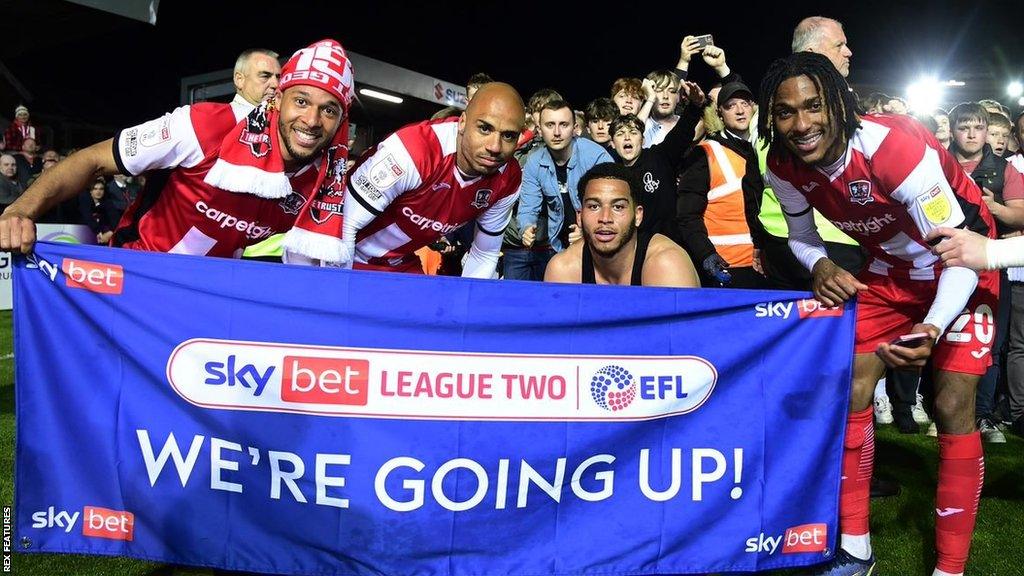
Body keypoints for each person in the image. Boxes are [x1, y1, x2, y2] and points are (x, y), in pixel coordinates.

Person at [760, 52, 997, 576]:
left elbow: (959, 254)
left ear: (839, 104)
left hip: (962, 267)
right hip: (888, 275)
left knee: (952, 402)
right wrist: (819, 263)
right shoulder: (781, 163)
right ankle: (856, 548)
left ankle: (950, 568)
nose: (801, 125)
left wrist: (933, 326)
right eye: (785, 112)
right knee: (850, 390)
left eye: (813, 106)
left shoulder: (893, 147)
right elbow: (800, 239)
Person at [0, 39, 354, 257]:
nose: (311, 120)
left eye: (329, 110)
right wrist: (19, 210)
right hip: (139, 275)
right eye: (302, 101)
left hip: (206, 299)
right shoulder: (203, 126)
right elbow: (93, 160)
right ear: (278, 100)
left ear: (341, 122)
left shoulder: (326, 179)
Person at [284, 82, 526, 280]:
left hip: (398, 263)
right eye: (484, 128)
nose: (495, 147)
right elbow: (343, 226)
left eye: (508, 136)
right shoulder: (413, 151)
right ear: (462, 122)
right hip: (337, 253)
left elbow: (484, 253)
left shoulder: (509, 178)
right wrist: (340, 298)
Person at [544, 162, 699, 287]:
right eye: (593, 206)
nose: (605, 218)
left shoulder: (666, 264)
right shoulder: (564, 269)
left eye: (618, 207)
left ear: (638, 215)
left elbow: (683, 326)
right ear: (579, 216)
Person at [677, 81, 767, 288]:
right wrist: (705, 253)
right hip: (727, 266)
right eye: (730, 105)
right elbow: (687, 215)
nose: (740, 110)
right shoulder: (705, 153)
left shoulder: (765, 149)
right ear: (719, 114)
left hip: (767, 264)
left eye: (745, 103)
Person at [518, 100, 613, 256]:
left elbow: (611, 206)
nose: (556, 132)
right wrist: (526, 227)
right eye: (549, 125)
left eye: (563, 124)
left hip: (599, 246)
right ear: (539, 130)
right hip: (558, 246)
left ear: (575, 128)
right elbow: (528, 206)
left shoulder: (596, 157)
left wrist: (588, 233)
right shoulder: (534, 162)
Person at [611, 81, 703, 236]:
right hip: (631, 248)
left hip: (669, 244)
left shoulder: (660, 156)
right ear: (613, 143)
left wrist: (695, 105)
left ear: (643, 139)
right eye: (620, 134)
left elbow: (682, 131)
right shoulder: (611, 174)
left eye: (633, 133)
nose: (627, 138)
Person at [232, 48, 281, 113]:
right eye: (265, 76)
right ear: (239, 80)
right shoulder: (221, 120)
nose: (276, 84)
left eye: (278, 77)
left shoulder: (282, 117)